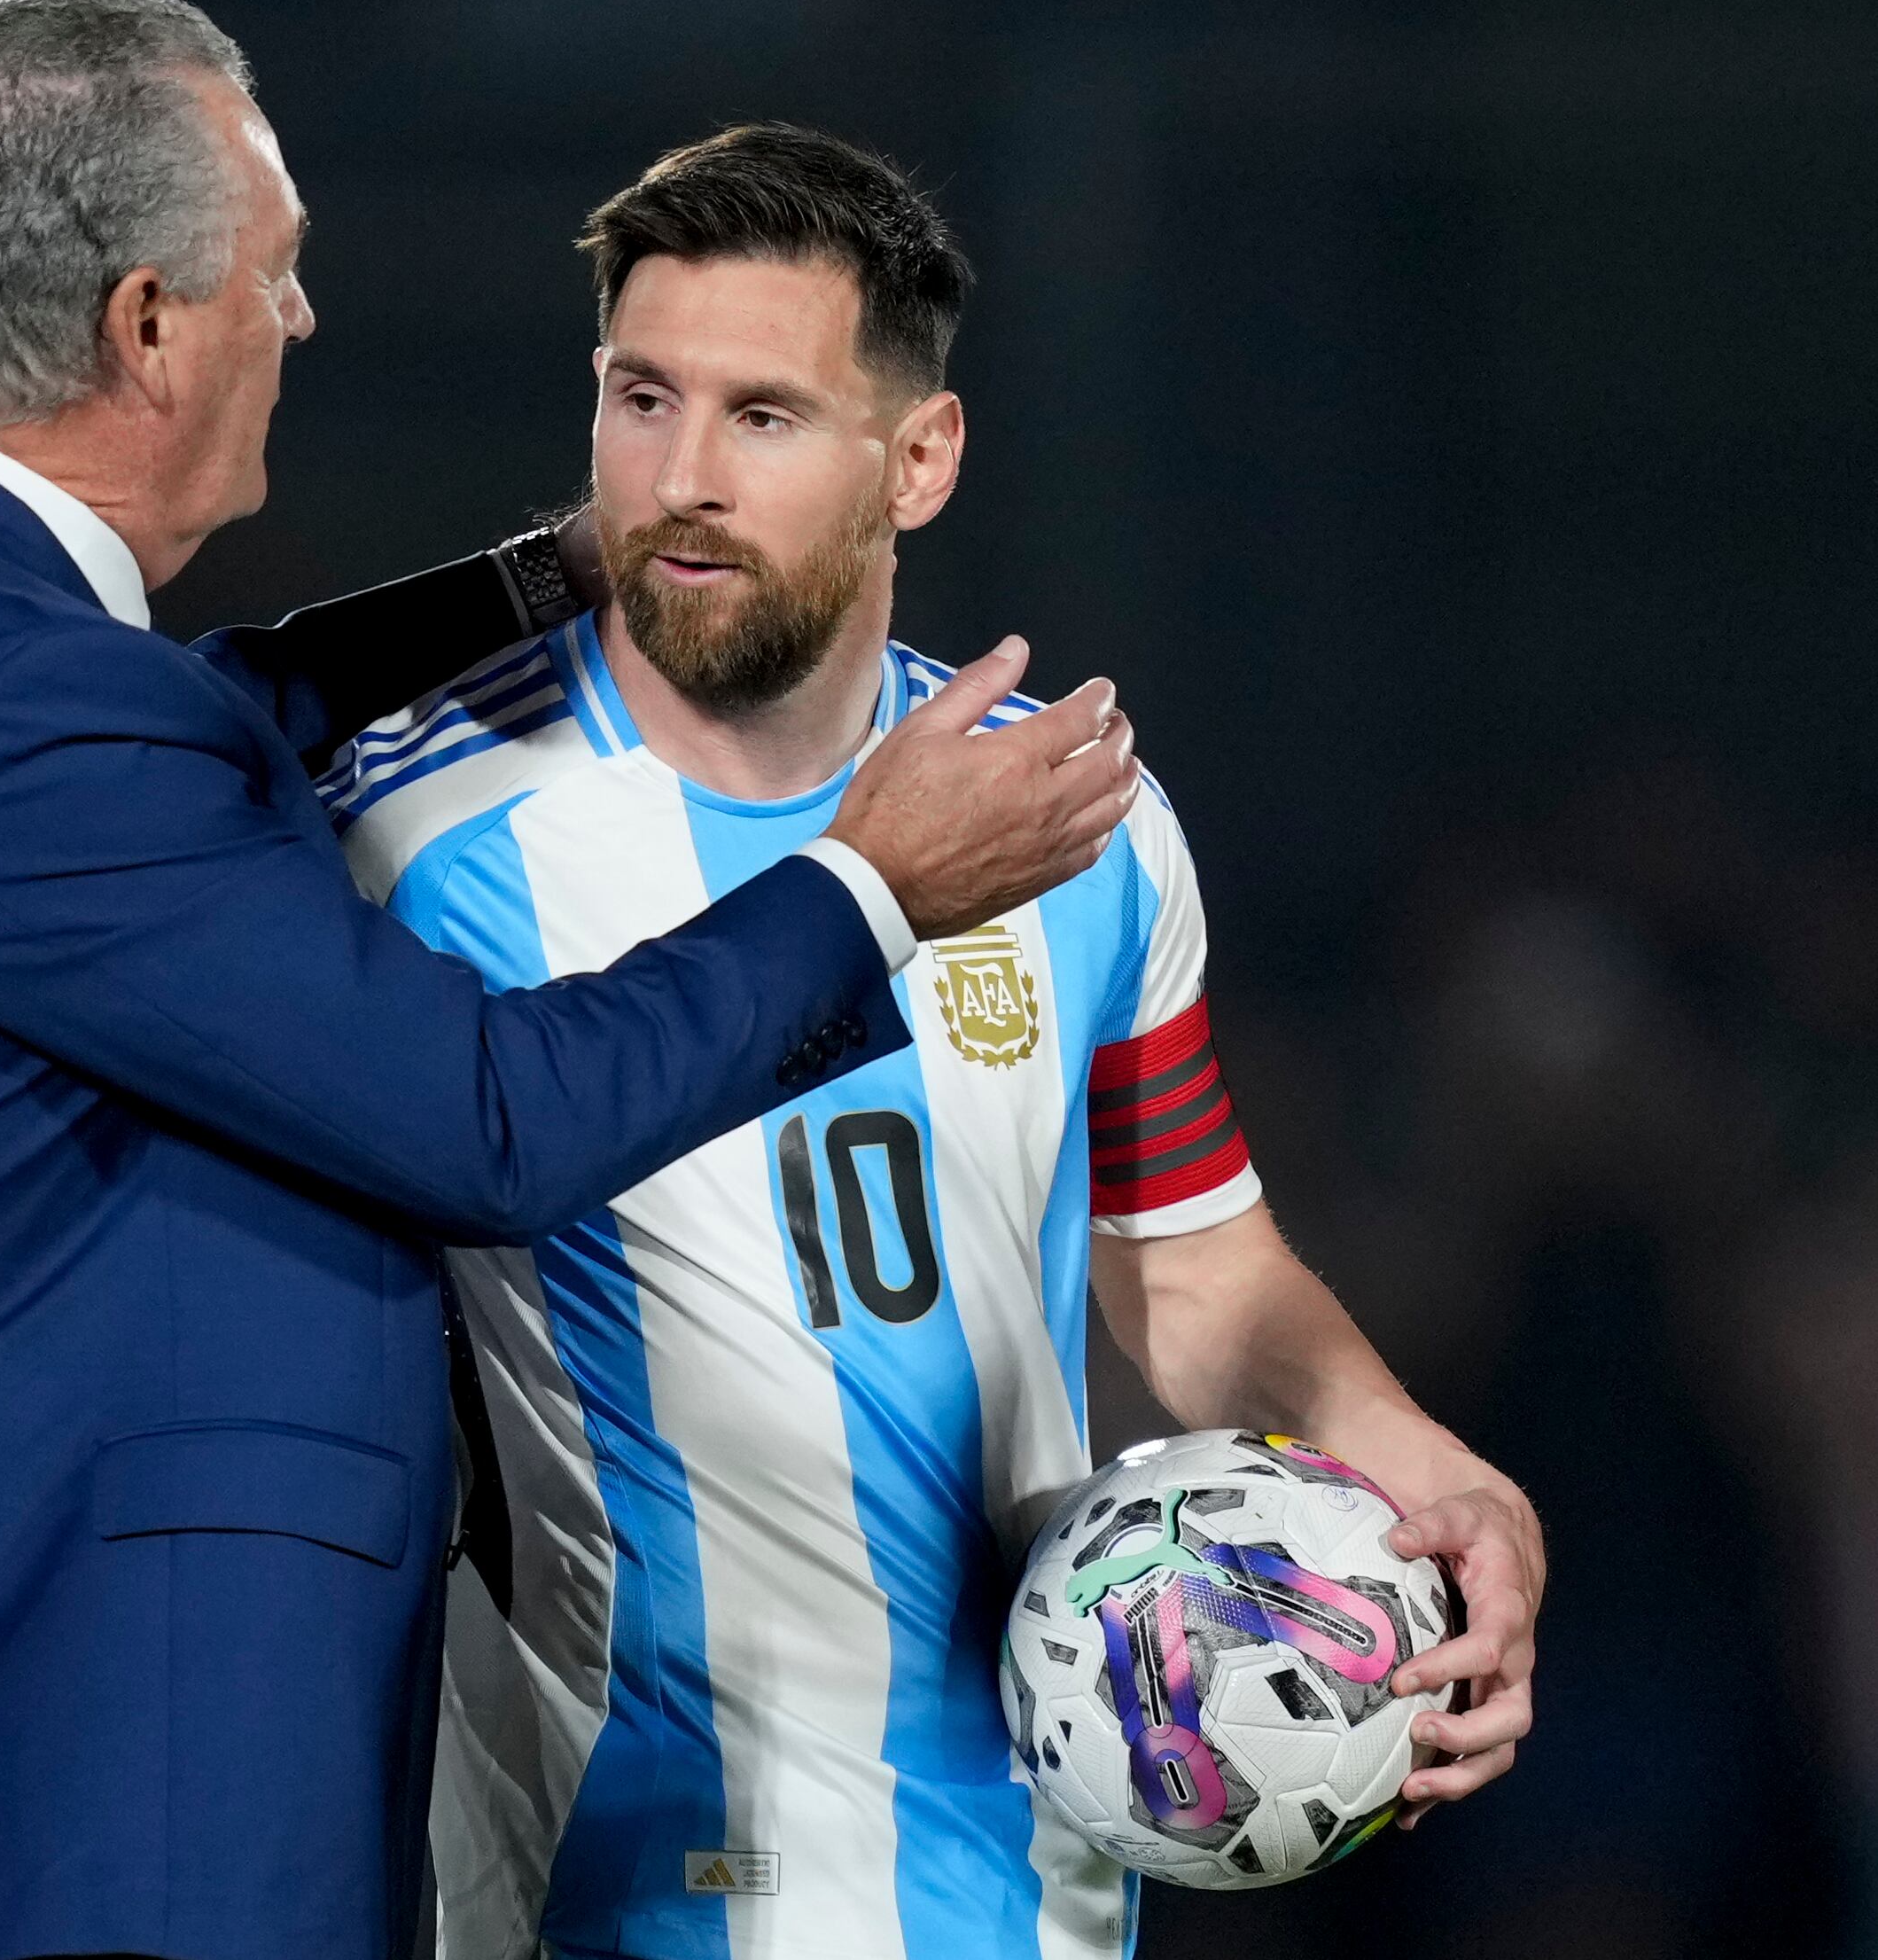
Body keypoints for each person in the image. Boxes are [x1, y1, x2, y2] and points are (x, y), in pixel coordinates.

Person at [0, 0, 1142, 1960]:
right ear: (145, 325)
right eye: (277, 274)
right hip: (106, 1778)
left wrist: (552, 570)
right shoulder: (29, 722)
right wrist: (865, 884)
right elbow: (492, 1123)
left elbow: (191, 728)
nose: (300, 322)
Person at [328, 121, 1545, 1960]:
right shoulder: (418, 844)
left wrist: (1406, 1451)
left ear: (919, 457)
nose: (677, 476)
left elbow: (1190, 1258)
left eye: (761, 416)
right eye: (636, 397)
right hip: (616, 1890)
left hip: (1028, 1880)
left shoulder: (1083, 822)